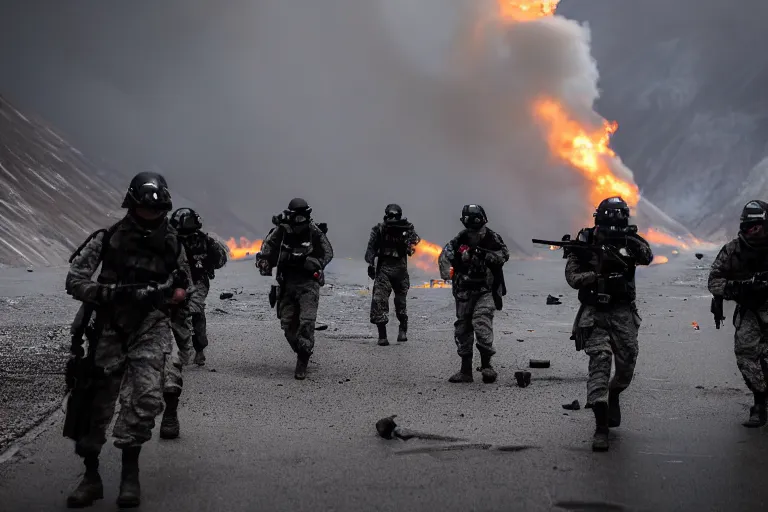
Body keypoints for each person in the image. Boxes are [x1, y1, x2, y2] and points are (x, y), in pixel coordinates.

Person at [64, 172, 190, 508]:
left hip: (150, 325)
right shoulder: (108, 239)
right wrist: (106, 293)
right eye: (147, 211)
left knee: (147, 397)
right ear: (132, 206)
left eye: (158, 212)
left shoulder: (173, 242)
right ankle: (91, 477)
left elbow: (184, 282)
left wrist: (173, 294)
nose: (153, 218)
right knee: (94, 405)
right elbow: (75, 279)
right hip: (108, 326)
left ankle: (129, 475)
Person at [564, 196, 653, 452]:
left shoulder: (630, 241)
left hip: (623, 313)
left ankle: (613, 395)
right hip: (595, 313)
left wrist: (627, 242)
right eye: (608, 220)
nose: (613, 226)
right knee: (599, 362)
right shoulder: (586, 241)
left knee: (626, 367)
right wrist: (599, 276)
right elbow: (572, 277)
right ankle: (600, 426)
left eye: (618, 220)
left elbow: (646, 256)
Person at [255, 198, 333, 380]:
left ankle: (303, 359)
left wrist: (314, 263)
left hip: (308, 284)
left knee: (307, 321)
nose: (298, 222)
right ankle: (301, 349)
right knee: (288, 324)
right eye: (295, 217)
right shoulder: (282, 231)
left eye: (302, 217)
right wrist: (265, 261)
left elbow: (328, 252)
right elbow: (267, 248)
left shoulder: (314, 231)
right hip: (287, 283)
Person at [708, 200, 768, 428]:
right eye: (747, 226)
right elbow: (713, 280)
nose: (750, 231)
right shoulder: (734, 250)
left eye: (755, 226)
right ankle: (759, 402)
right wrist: (738, 288)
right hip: (750, 309)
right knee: (745, 354)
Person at [438, 204, 509, 384]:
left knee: (481, 321)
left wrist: (487, 256)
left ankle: (487, 366)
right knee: (463, 328)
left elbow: (503, 255)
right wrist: (448, 272)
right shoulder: (459, 240)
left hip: (486, 289)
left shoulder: (492, 238)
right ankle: (465, 371)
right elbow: (445, 256)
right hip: (464, 290)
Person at [169, 208, 228, 366]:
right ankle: (182, 349)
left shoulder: (204, 240)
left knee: (193, 311)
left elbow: (220, 259)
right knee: (177, 314)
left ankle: (198, 349)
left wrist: (208, 261)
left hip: (198, 282)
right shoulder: (171, 240)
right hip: (177, 282)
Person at [364, 204, 420, 345]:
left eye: (396, 216)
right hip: (384, 269)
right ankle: (382, 335)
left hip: (400, 270)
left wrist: (406, 236)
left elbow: (414, 244)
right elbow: (371, 249)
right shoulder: (379, 229)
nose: (393, 219)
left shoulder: (407, 228)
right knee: (379, 300)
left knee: (400, 303)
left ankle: (403, 328)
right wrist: (370, 263)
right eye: (391, 216)